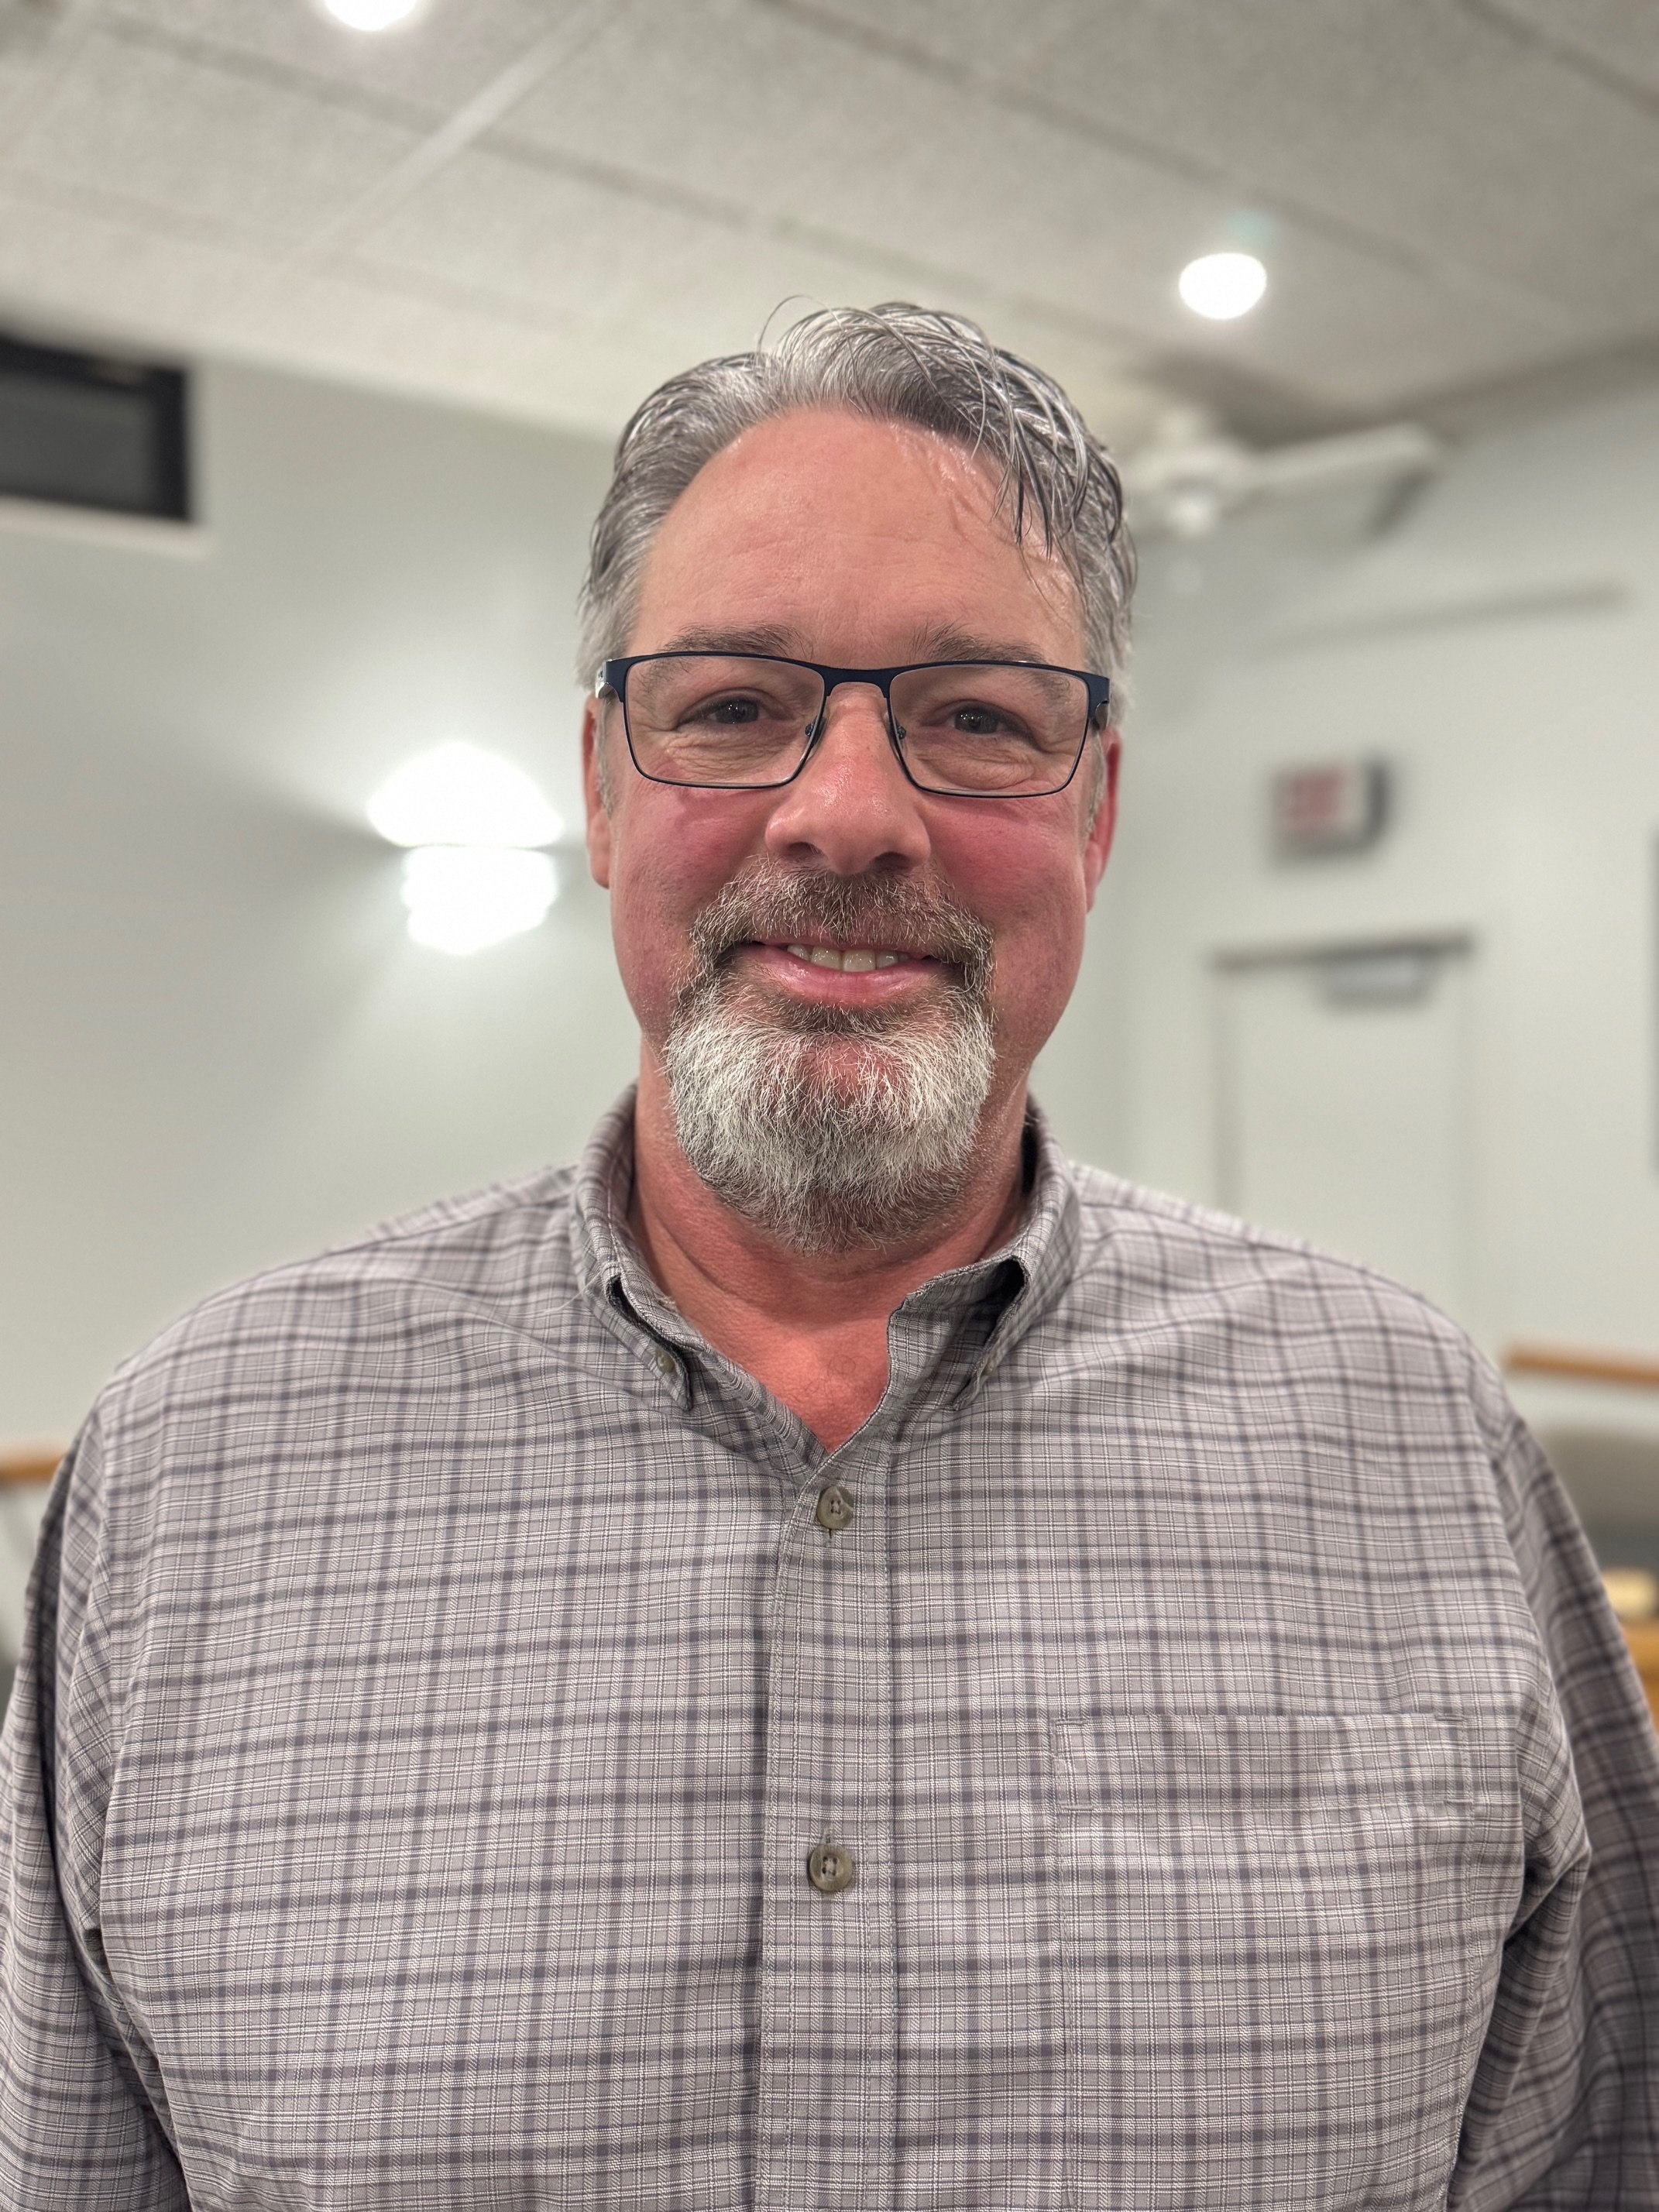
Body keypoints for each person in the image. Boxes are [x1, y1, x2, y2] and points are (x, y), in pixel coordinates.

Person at [2, 304, 1655, 2211]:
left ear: (1098, 811)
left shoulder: (1416, 1440)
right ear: (604, 789)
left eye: (978, 718)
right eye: (730, 707)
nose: (852, 815)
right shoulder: (195, 1465)